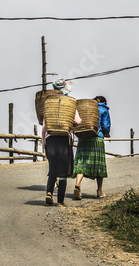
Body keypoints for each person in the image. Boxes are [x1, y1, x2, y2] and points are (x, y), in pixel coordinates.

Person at [42, 78, 81, 207]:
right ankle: (60, 201)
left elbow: (44, 128)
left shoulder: (49, 104)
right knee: (63, 171)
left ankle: (49, 192)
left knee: (53, 168)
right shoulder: (69, 104)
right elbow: (76, 122)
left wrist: (44, 146)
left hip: (50, 140)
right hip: (64, 140)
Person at [72, 95, 111, 200]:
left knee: (81, 163)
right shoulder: (103, 110)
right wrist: (105, 132)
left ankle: (77, 184)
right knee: (99, 165)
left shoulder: (86, 109)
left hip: (83, 139)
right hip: (97, 139)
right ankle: (99, 191)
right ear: (104, 102)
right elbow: (106, 127)